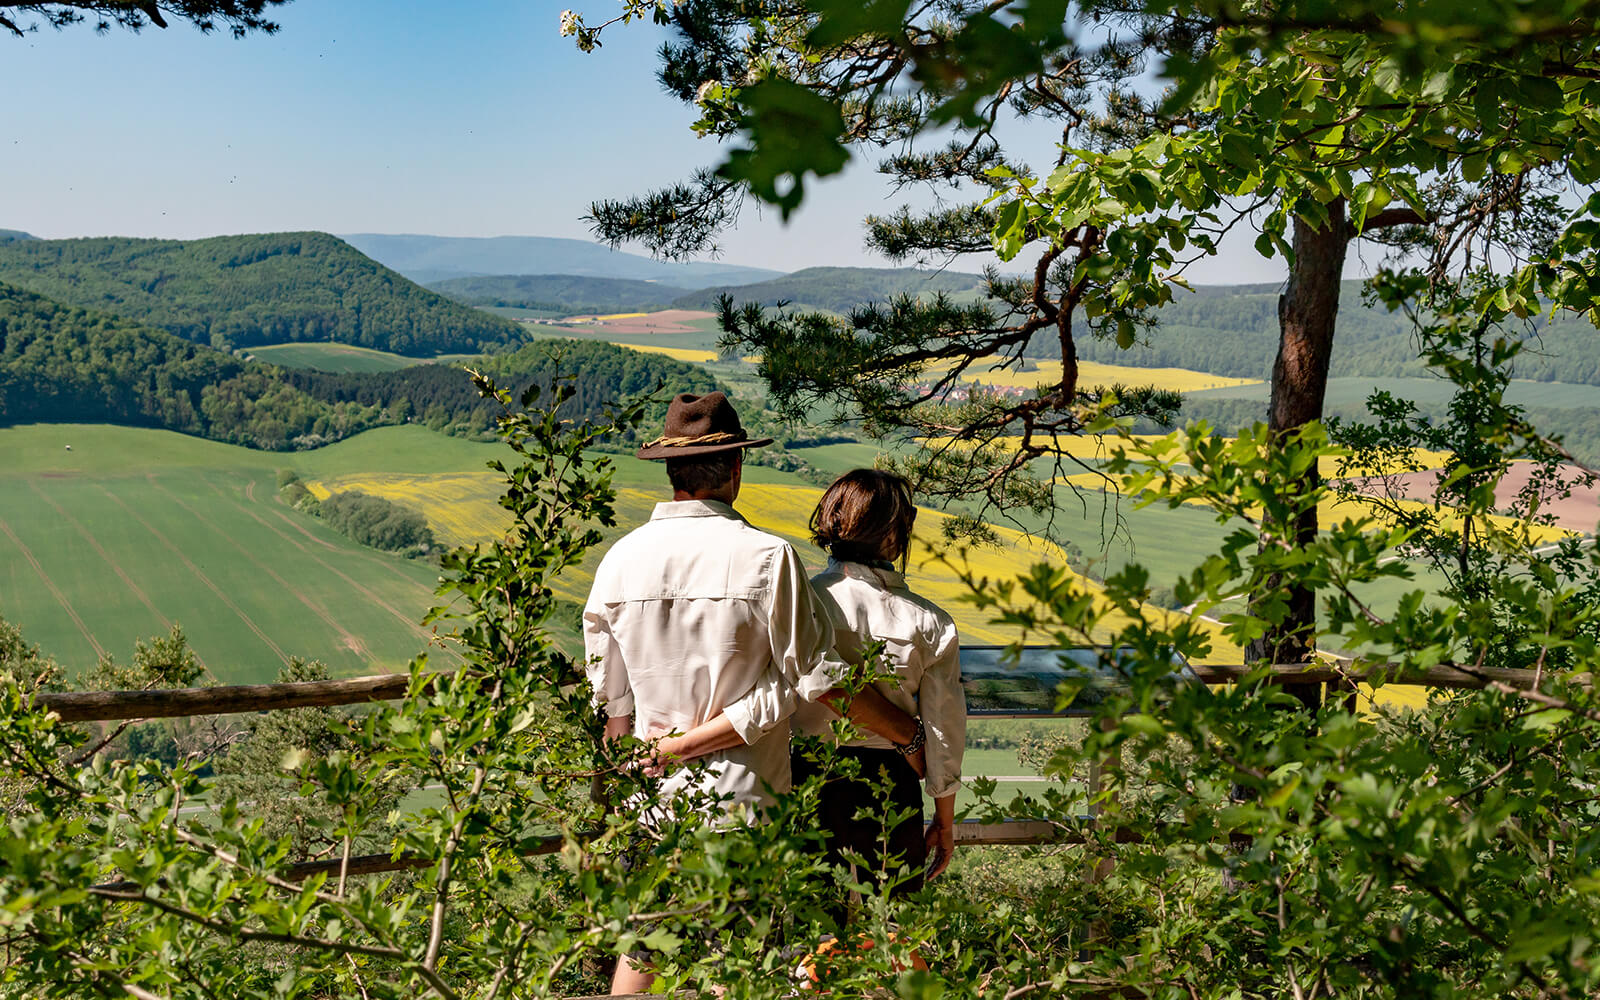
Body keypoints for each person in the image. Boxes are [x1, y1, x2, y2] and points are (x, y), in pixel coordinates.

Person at [583, 392, 925, 996]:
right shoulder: (767, 558)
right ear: (736, 470)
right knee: (737, 969)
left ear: (671, 469)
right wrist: (910, 736)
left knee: (642, 953)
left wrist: (649, 759)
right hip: (745, 803)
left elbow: (612, 708)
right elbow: (816, 683)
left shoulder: (619, 560)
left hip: (650, 803)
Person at [792, 468, 966, 922]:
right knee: (892, 928)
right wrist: (943, 819)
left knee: (813, 924)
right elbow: (944, 731)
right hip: (892, 778)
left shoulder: (799, 602)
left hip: (806, 773)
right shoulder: (930, 622)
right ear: (896, 532)